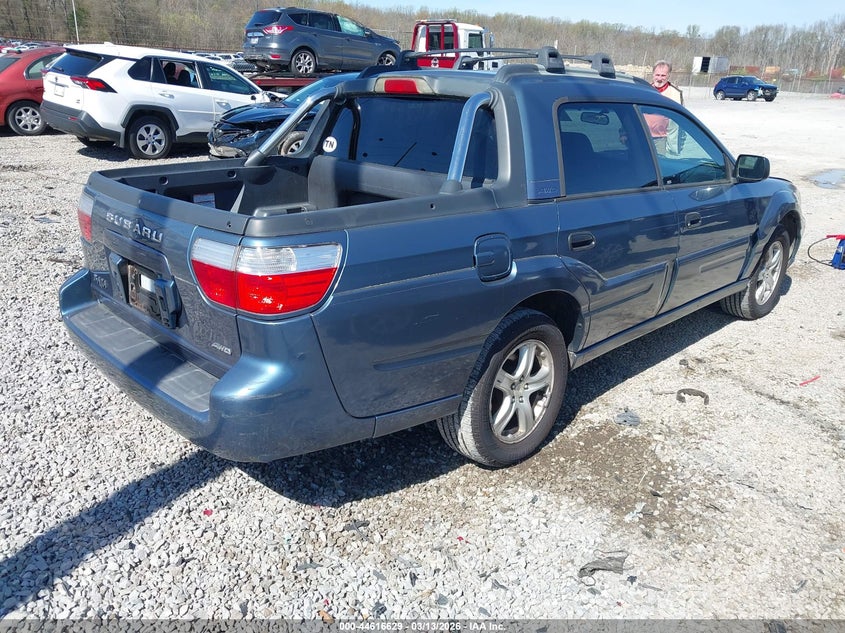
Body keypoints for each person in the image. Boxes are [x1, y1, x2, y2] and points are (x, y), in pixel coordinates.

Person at [647, 60, 684, 154]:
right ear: (653, 75)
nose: (659, 78)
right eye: (657, 75)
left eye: (663, 75)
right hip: (642, 137)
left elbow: (680, 120)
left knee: (660, 166)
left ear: (668, 75)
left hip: (661, 140)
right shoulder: (645, 89)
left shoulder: (675, 93)